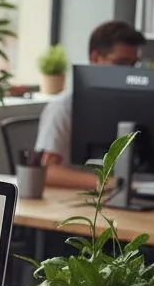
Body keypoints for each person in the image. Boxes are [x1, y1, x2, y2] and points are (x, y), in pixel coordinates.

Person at [35, 20, 146, 190]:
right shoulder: (64, 107)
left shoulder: (139, 105)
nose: (129, 72)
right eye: (122, 63)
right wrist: (114, 184)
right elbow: (47, 171)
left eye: (134, 64)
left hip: (130, 196)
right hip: (78, 201)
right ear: (96, 59)